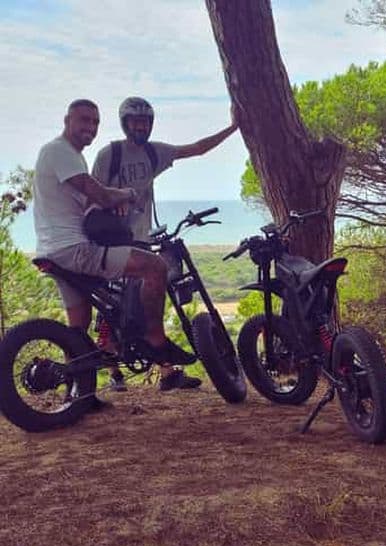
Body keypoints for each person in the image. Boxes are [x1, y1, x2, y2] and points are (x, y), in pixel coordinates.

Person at [32, 99, 196, 378]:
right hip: (75, 250)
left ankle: (80, 392)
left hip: (51, 251)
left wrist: (109, 204)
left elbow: (87, 202)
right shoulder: (60, 151)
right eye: (83, 120)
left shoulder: (67, 155)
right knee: (155, 267)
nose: (90, 127)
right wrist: (128, 194)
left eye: (95, 122)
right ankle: (156, 341)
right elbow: (102, 194)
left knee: (79, 326)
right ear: (66, 120)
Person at [92, 96, 238, 392]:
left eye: (145, 121)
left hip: (141, 239)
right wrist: (114, 201)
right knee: (113, 305)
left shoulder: (154, 153)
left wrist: (234, 127)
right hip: (112, 239)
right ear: (125, 123)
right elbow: (91, 192)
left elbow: (197, 149)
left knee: (142, 301)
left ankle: (167, 372)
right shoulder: (110, 154)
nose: (141, 126)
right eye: (135, 121)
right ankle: (114, 373)